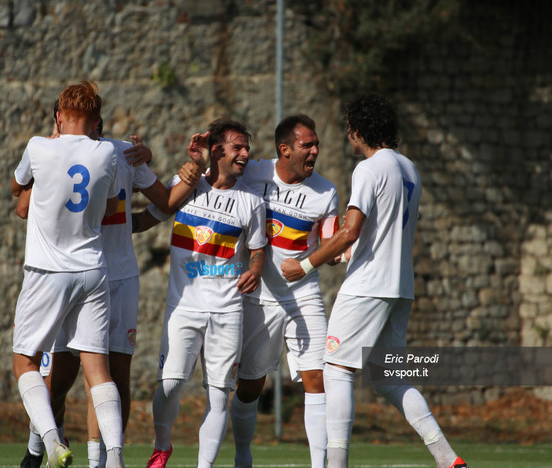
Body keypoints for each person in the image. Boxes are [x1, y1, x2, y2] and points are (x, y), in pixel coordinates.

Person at [281, 94, 468, 468]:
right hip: (400, 287)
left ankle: (336, 464)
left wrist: (305, 265)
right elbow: (381, 234)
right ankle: (448, 458)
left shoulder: (368, 169)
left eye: (348, 128)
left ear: (356, 130)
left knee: (336, 368)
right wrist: (346, 252)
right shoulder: (409, 167)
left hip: (367, 287)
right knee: (389, 378)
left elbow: (350, 230)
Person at [18, 101, 204, 468]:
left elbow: (165, 202)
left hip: (116, 277)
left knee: (113, 377)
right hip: (72, 276)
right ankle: (36, 450)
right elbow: (23, 207)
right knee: (57, 381)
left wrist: (192, 171)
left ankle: (99, 462)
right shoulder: (50, 153)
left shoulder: (122, 153)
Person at [143, 119, 268, 468]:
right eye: (237, 147)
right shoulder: (187, 185)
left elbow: (258, 249)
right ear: (217, 151)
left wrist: (255, 268)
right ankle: (162, 445)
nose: (245, 154)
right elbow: (149, 216)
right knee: (169, 386)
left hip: (228, 311)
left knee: (219, 395)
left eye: (247, 147)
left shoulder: (251, 202)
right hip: (184, 307)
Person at [10, 81, 122, 468]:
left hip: (47, 271)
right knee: (98, 371)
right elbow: (108, 207)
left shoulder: (38, 146)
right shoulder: (106, 152)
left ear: (58, 116)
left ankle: (53, 441)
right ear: (96, 121)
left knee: (25, 361)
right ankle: (116, 457)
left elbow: (16, 188)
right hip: (92, 270)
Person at [230, 114, 340, 468]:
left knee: (317, 379)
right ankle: (243, 456)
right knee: (249, 386)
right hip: (257, 296)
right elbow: (216, 181)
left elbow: (328, 241)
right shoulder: (254, 173)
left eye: (316, 144)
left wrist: (335, 253)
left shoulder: (326, 191)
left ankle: (319, 465)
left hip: (303, 297)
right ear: (285, 149)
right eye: (308, 145)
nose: (315, 151)